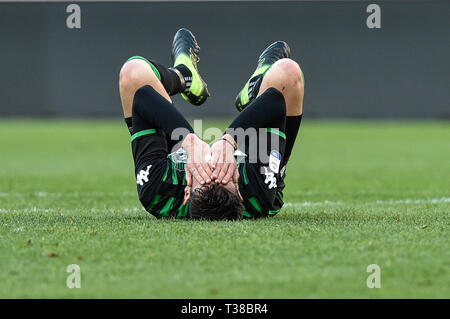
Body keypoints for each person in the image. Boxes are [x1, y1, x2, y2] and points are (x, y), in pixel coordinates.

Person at [118, 28, 304, 220]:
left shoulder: (158, 192)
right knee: (289, 73)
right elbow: (274, 101)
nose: (214, 164)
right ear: (239, 191)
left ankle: (184, 75)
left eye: (205, 175)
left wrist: (189, 140)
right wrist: (230, 140)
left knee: (132, 73)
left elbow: (143, 97)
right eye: (226, 175)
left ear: (187, 191)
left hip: (170, 152)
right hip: (257, 159)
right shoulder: (256, 189)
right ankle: (255, 88)